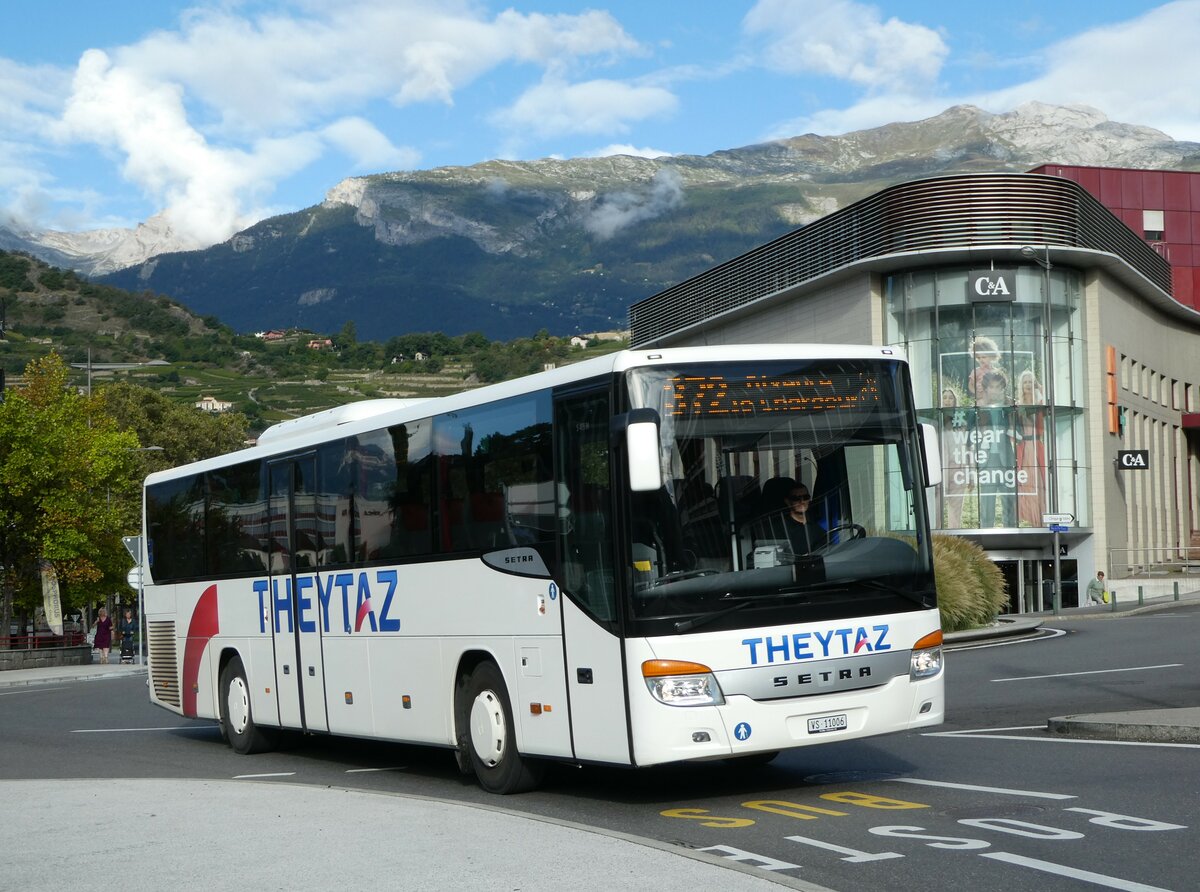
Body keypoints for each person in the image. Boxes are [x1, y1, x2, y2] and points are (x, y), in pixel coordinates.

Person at [756, 477, 826, 555]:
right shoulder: (777, 529)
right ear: (788, 501)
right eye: (796, 498)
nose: (802, 501)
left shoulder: (818, 525)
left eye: (805, 497)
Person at [1015, 370, 1047, 527]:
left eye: (1030, 382)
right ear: (1021, 385)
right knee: (1025, 483)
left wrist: (1039, 387)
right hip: (1023, 447)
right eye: (1025, 382)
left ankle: (1039, 519)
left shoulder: (1039, 403)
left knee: (1040, 483)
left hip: (1036, 446)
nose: (1027, 385)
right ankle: (1028, 519)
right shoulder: (1018, 405)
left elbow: (1047, 397)